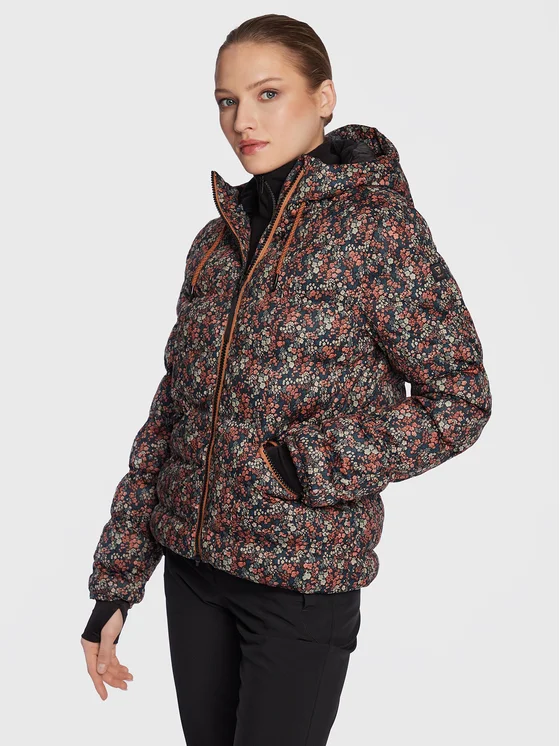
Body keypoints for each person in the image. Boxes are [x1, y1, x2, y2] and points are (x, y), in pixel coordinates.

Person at [81, 12, 492, 746]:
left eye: (268, 93)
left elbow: (461, 399)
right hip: (193, 577)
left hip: (299, 585)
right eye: (227, 100)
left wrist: (309, 462)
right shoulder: (214, 244)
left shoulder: (377, 232)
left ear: (324, 97)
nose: (243, 120)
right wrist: (118, 581)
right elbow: (171, 415)